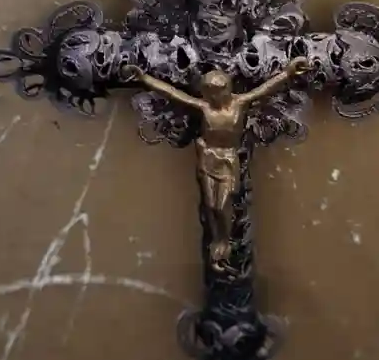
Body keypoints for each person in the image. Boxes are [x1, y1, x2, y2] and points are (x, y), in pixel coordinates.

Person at [122, 57, 311, 266]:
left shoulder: (239, 103)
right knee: (210, 204)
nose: (213, 96)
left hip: (228, 158)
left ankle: (225, 240)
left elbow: (264, 90)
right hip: (207, 157)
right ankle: (216, 240)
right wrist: (144, 78)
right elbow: (173, 93)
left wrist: (288, 72)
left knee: (222, 204)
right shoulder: (204, 107)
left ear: (226, 90)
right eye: (209, 92)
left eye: (217, 91)